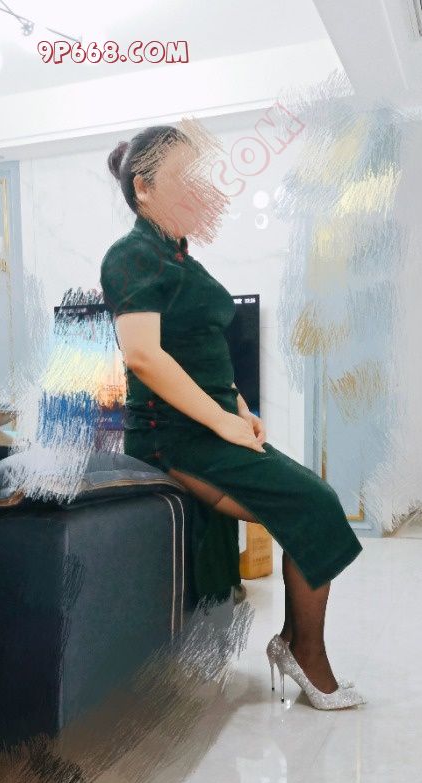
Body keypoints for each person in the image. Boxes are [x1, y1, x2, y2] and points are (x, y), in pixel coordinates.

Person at [99, 125, 366, 710]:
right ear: (144, 187)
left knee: (308, 508)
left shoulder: (181, 259)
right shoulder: (129, 255)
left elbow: (201, 350)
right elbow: (144, 355)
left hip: (212, 424)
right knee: (314, 504)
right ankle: (303, 653)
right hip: (173, 435)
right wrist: (221, 422)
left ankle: (295, 645)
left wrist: (241, 407)